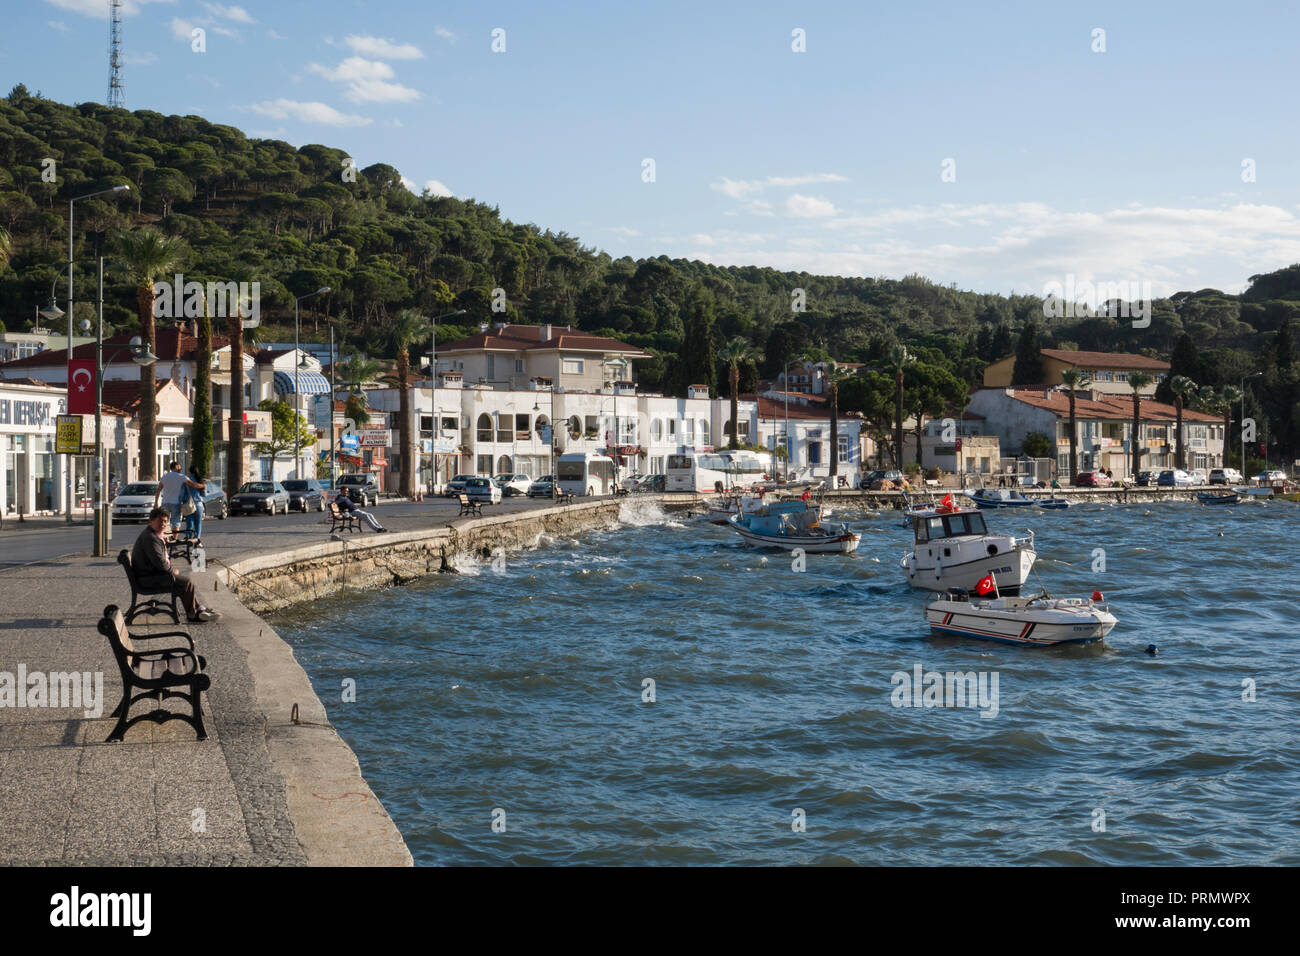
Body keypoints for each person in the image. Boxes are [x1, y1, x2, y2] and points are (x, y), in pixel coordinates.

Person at [132, 507, 221, 623]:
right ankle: (193, 614)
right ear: (151, 521)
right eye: (160, 521)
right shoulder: (150, 538)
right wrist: (171, 571)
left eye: (165, 521)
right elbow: (160, 562)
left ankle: (197, 610)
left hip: (149, 574)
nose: (163, 524)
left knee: (184, 583)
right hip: (146, 579)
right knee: (185, 582)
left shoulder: (153, 534)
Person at [155, 461, 203, 531]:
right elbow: (193, 485)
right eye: (180, 467)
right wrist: (203, 486)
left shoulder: (164, 476)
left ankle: (165, 539)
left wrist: (156, 502)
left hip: (165, 502)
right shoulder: (181, 477)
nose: (181, 469)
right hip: (176, 503)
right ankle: (174, 540)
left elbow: (158, 489)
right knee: (176, 523)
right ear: (176, 466)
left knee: (164, 522)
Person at [183, 465, 207, 544]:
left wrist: (182, 501)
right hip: (199, 504)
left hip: (189, 504)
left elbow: (182, 493)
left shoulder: (186, 479)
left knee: (189, 522)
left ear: (189, 471)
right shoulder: (200, 480)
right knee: (198, 523)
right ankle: (198, 539)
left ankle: (189, 538)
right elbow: (204, 494)